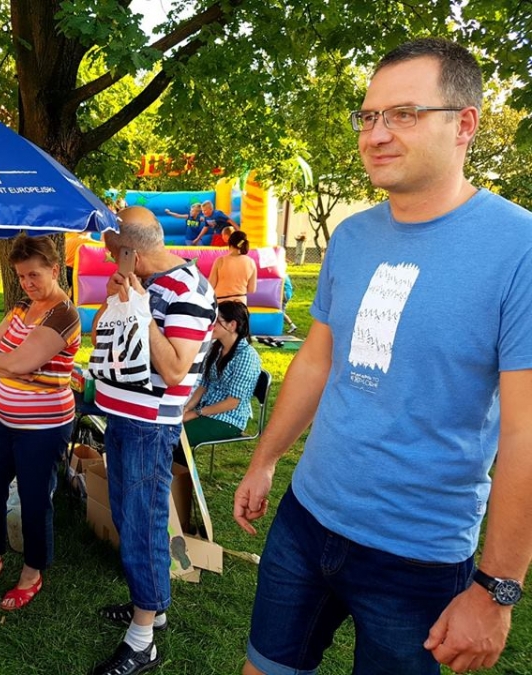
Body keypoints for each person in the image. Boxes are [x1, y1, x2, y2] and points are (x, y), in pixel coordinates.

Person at [234, 37, 532, 675]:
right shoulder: (351, 236)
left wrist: (497, 588)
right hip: (306, 519)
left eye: (403, 114)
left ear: (464, 124)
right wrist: (265, 460)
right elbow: (316, 362)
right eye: (368, 116)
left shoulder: (519, 248)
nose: (375, 135)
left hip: (417, 554)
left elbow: (525, 430)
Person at [89, 206, 215, 675]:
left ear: (131, 253)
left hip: (149, 425)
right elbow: (102, 338)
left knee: (143, 522)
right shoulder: (143, 283)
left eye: (113, 254)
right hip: (121, 417)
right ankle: (151, 605)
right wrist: (115, 301)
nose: (110, 261)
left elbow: (176, 369)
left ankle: (143, 640)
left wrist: (141, 311)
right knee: (129, 514)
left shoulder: (188, 291)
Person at [0, 234, 81, 611]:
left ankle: (32, 572)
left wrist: (9, 364)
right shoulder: (21, 306)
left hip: (43, 427)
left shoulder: (63, 315)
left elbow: (13, 361)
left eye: (34, 275)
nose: (27, 283)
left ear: (55, 270)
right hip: (2, 418)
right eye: (21, 276)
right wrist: (10, 365)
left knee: (34, 499)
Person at [180, 301, 261, 449]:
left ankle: (178, 464)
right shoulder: (216, 348)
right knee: (168, 431)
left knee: (175, 437)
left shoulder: (246, 356)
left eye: (216, 321)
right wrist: (186, 408)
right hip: (206, 411)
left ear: (232, 325)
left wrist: (196, 413)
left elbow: (232, 403)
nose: (210, 325)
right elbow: (204, 385)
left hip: (228, 420)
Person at [208, 230, 257, 304]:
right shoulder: (251, 262)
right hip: (241, 302)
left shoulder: (220, 261)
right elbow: (252, 289)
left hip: (221, 302)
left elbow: (211, 285)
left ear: (229, 243)